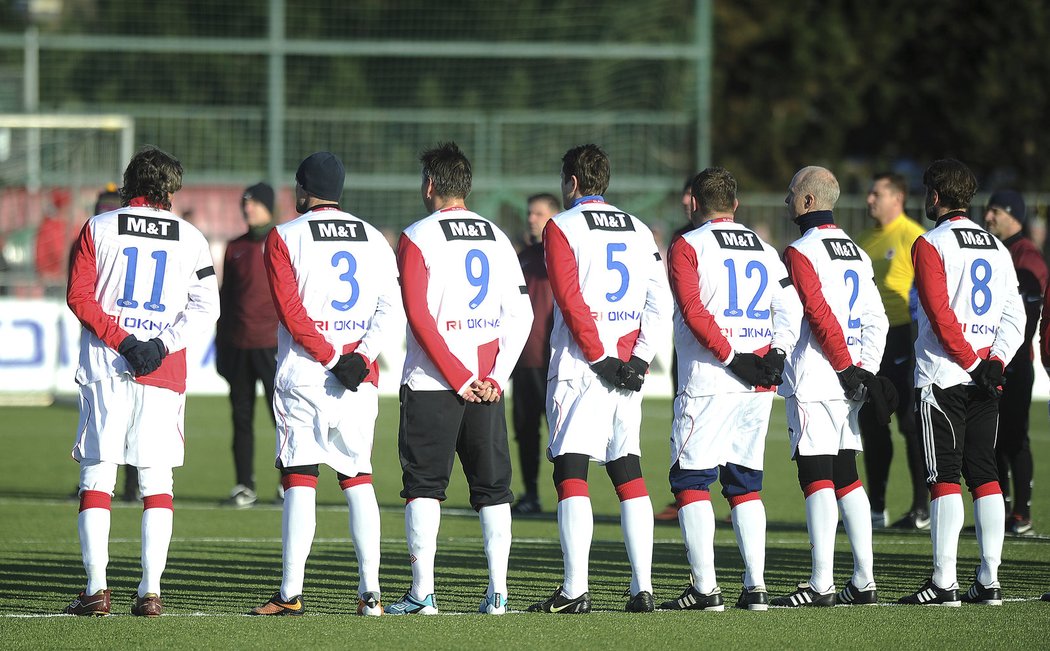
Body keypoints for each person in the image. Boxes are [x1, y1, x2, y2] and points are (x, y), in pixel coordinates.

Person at [63, 145, 220, 617]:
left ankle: (96, 590)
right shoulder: (191, 237)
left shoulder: (98, 227)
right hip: (162, 369)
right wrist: (160, 344)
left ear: (130, 183)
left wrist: (123, 339)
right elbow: (206, 307)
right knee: (157, 481)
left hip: (106, 366)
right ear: (170, 189)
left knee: (98, 475)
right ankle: (149, 592)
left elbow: (79, 297)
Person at [249, 152, 402, 617]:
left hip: (307, 376)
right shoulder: (374, 236)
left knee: (300, 477)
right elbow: (389, 308)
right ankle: (370, 593)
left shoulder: (283, 236)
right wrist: (360, 357)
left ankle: (291, 591)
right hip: (359, 380)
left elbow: (290, 312)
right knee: (358, 477)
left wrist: (335, 357)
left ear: (302, 188)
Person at [387, 142, 532, 616]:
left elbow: (420, 317)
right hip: (487, 386)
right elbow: (522, 314)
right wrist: (494, 376)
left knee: (424, 486)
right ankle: (498, 593)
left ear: (430, 185)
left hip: (435, 383)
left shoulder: (416, 236)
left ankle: (423, 593)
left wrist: (459, 376)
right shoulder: (496, 234)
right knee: (494, 490)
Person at [528, 144, 673, 614]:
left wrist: (601, 358)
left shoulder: (560, 226)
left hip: (581, 368)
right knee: (627, 471)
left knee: (571, 472)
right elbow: (659, 302)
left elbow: (570, 302)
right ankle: (642, 588)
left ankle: (574, 590)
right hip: (627, 371)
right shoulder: (638, 228)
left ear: (571, 182)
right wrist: (640, 361)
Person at [662, 167, 801, 612]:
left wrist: (730, 357)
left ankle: (705, 589)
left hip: (711, 379)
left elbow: (693, 310)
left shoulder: (687, 244)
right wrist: (777, 354)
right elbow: (789, 306)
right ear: (735, 204)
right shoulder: (763, 247)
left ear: (694, 204)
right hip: (757, 381)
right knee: (744, 484)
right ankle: (756, 586)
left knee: (690, 480)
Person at [899, 159, 1024, 607]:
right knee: (985, 474)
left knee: (944, 476)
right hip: (986, 377)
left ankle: (943, 581)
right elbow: (1016, 312)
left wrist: (974, 362)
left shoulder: (930, 243)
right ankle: (989, 580)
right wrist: (996, 361)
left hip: (944, 375)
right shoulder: (995, 245)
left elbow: (938, 312)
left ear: (934, 195)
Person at [772, 166, 892, 608]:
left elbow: (818, 314)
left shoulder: (800, 251)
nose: (786, 201)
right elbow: (877, 317)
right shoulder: (857, 251)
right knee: (846, 475)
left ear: (807, 201)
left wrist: (845, 367)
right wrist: (866, 370)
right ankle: (863, 579)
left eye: (790, 194)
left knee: (816, 475)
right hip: (852, 380)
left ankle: (821, 583)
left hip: (816, 378)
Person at [856, 172, 929, 530]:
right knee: (872, 424)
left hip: (904, 338)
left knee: (912, 424)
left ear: (897, 197)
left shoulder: (912, 235)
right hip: (870, 342)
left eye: (876, 193)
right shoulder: (864, 240)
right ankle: (876, 508)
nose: (870, 199)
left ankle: (921, 508)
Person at [984, 190, 1045, 535]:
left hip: (1016, 362)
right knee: (991, 439)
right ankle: (1000, 511)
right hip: (995, 361)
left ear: (1012, 214)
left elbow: (1027, 318)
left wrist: (1005, 354)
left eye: (995, 211)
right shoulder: (999, 251)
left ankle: (1021, 513)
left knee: (1014, 437)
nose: (988, 217)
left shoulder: (1027, 256)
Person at [216, 182, 280, 508]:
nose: (247, 208)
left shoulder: (282, 242)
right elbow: (225, 299)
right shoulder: (234, 247)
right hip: (238, 345)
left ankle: (289, 485)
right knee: (241, 419)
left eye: (253, 203)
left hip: (272, 346)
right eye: (244, 203)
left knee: (282, 417)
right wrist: (221, 345)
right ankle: (244, 485)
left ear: (268, 206)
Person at [510, 192, 558, 515]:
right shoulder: (523, 256)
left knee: (561, 437)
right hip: (523, 361)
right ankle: (531, 495)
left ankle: (569, 498)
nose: (531, 218)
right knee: (525, 433)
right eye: (529, 213)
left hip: (555, 361)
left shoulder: (563, 254)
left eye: (538, 213)